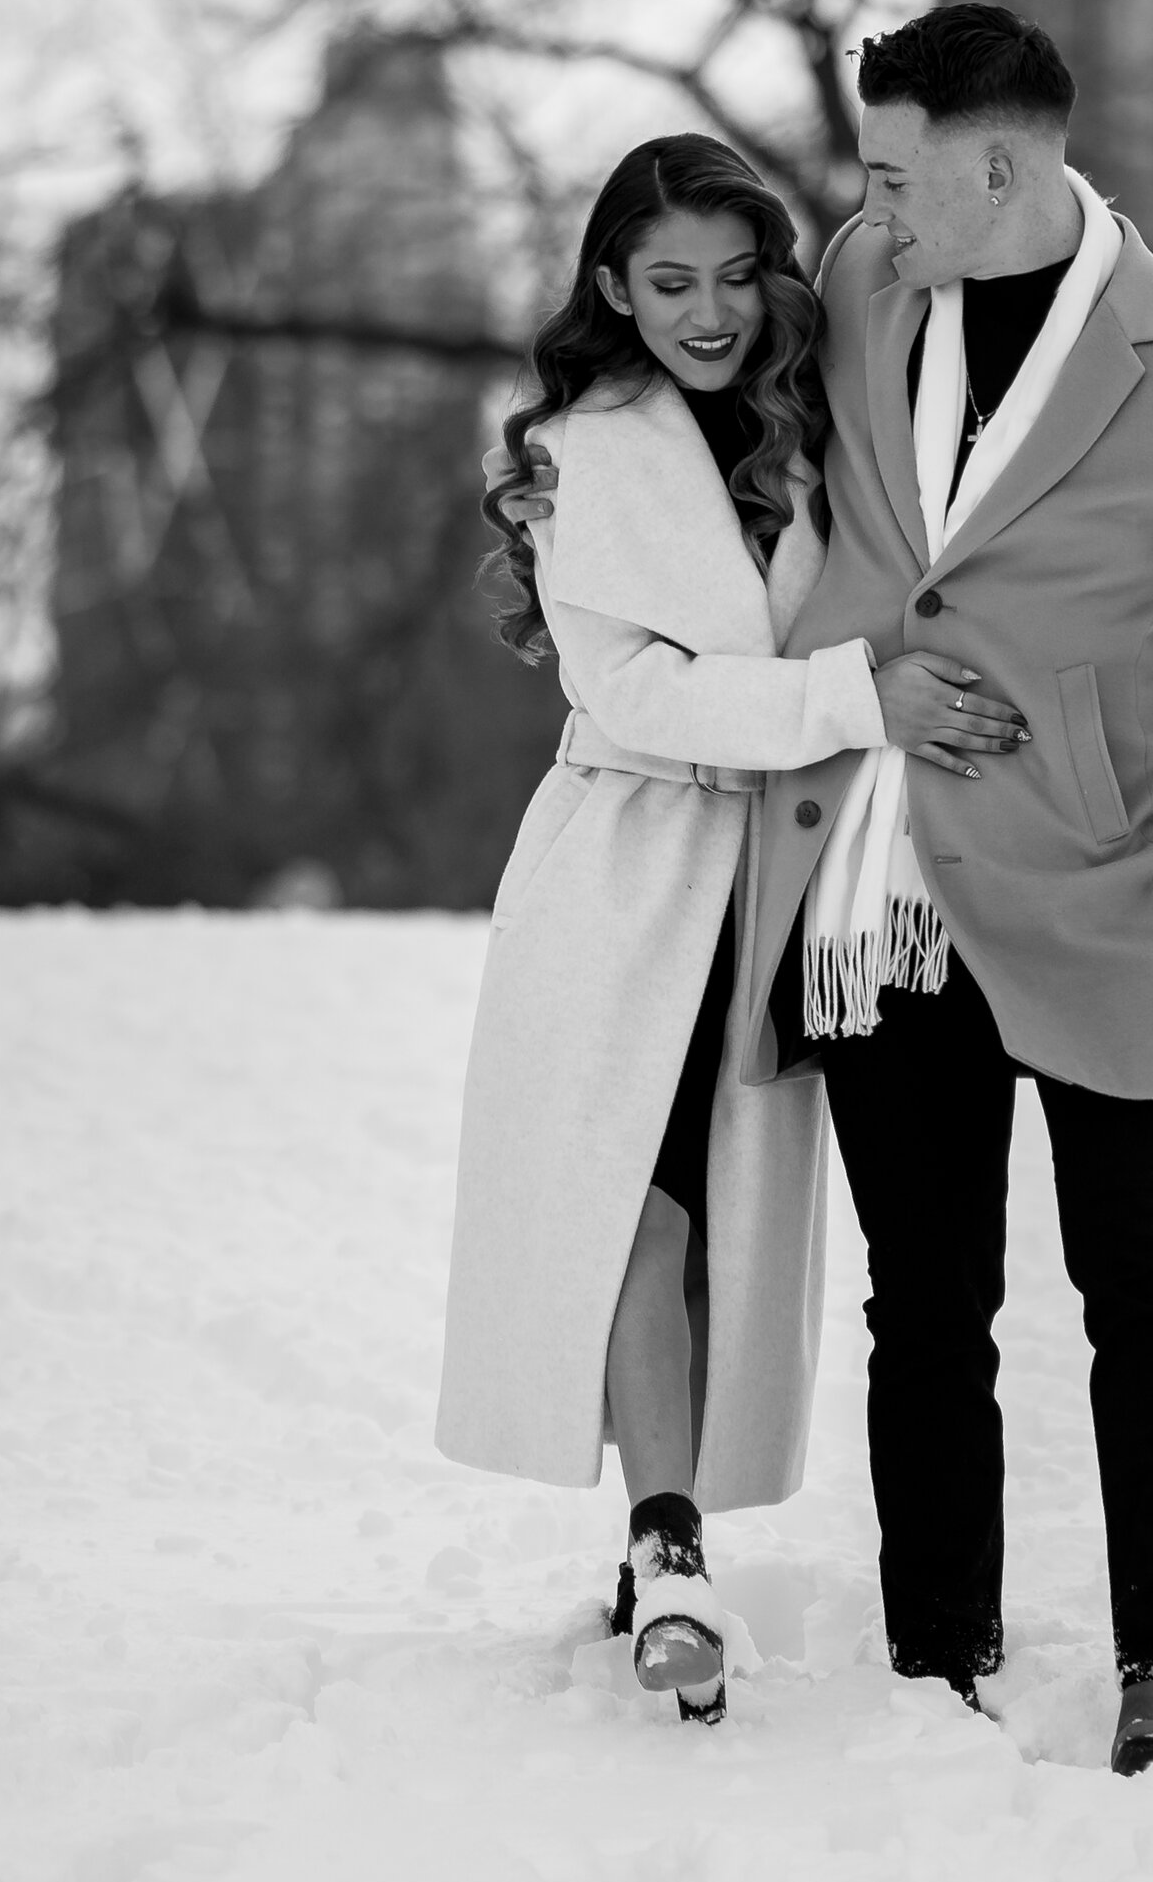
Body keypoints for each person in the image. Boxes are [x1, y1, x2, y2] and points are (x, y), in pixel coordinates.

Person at [737, 1, 1153, 1775]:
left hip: (1106, 880)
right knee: (922, 1307)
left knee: (1142, 1283)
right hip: (878, 874)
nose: (861, 205)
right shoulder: (867, 280)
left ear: (997, 163)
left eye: (890, 170)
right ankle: (936, 1655)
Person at [433, 133, 1028, 1723]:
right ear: (614, 290)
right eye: (668, 280)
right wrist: (854, 696)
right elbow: (631, 688)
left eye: (732, 275)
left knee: (713, 1222)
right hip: (627, 868)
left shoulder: (817, 425)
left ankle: (661, 1538)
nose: (706, 311)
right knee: (643, 1212)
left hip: (779, 869)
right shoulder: (582, 451)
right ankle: (669, 1542)